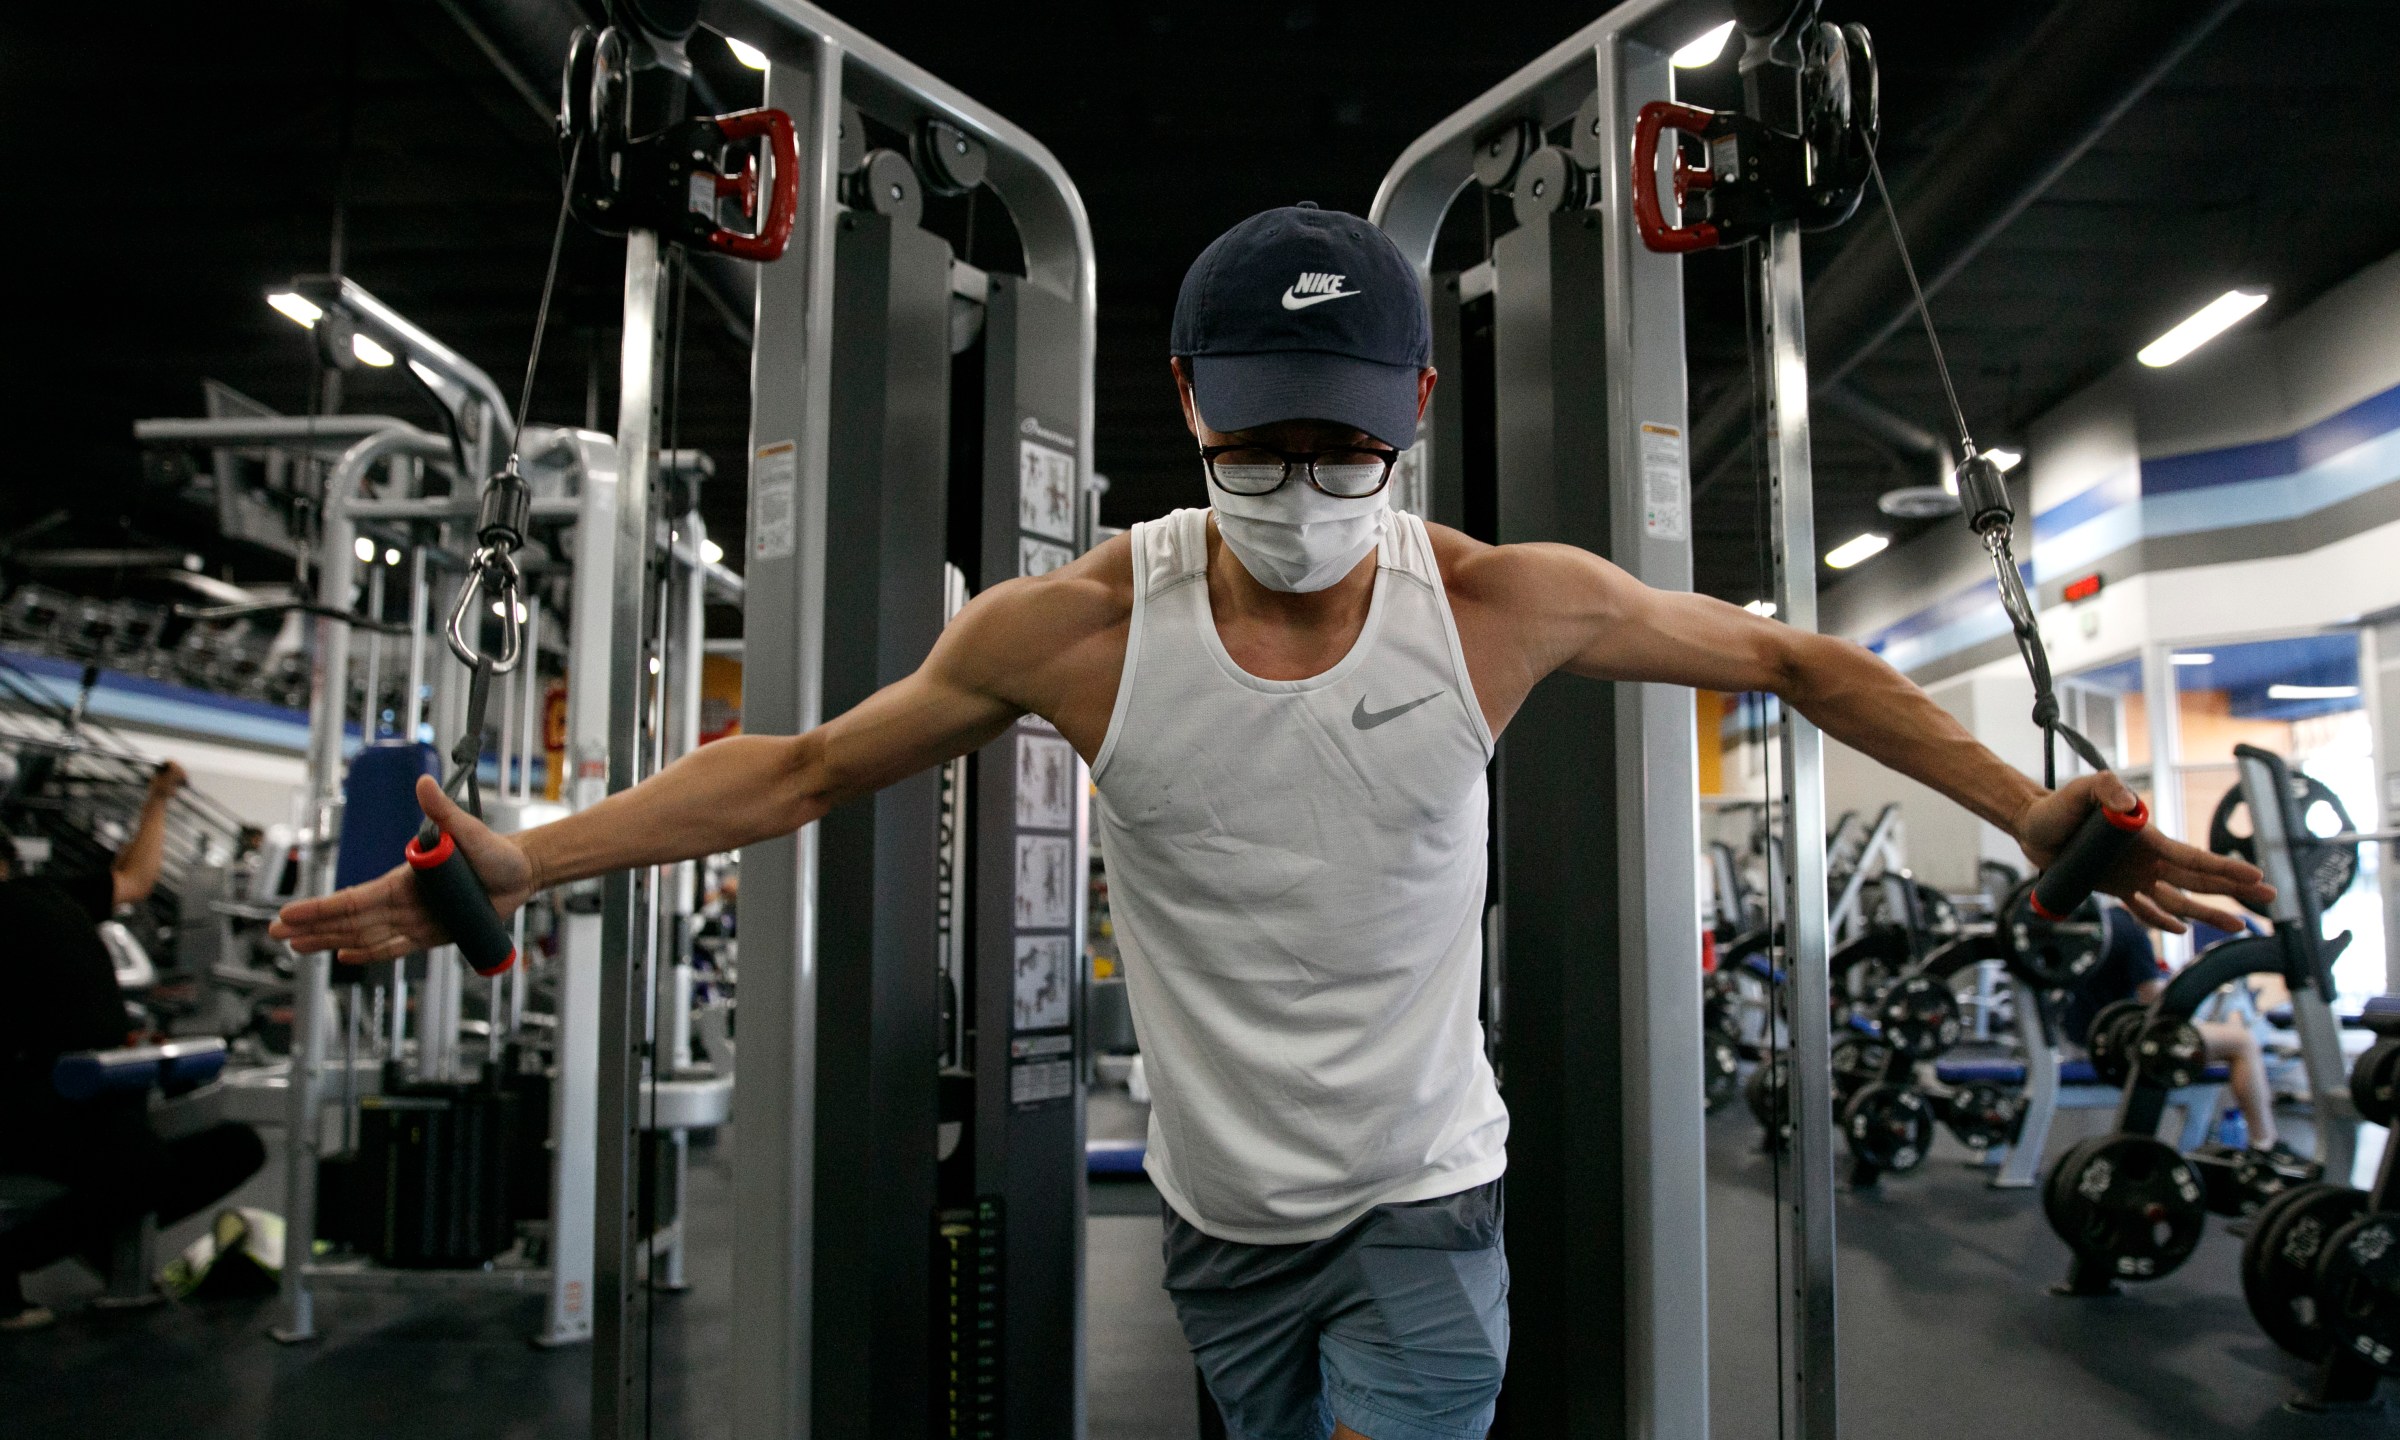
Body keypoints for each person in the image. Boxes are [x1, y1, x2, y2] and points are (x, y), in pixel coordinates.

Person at [274, 205, 2272, 1440]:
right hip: (1225, 1221)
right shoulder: (1063, 632)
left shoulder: (1501, 600)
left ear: (1407, 405)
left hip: (1422, 1191)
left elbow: (1795, 666)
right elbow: (791, 769)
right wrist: (526, 854)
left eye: (1339, 442)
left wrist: (2034, 814)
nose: (1299, 481)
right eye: (1259, 442)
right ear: (1186, 406)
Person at [0, 761, 267, 1330]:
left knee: (237, 1146)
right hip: (28, 1100)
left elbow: (137, 880)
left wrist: (158, 799)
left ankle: (95, 1236)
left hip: (98, 1092)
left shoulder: (48, 894)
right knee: (137, 1169)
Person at [2062, 903, 2289, 1154]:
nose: (2168, 918)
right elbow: (2160, 1006)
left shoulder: (2104, 923)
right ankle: (2266, 1143)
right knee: (2242, 1042)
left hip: (2080, 1040)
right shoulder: (2135, 935)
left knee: (2225, 1031)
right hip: (2119, 1046)